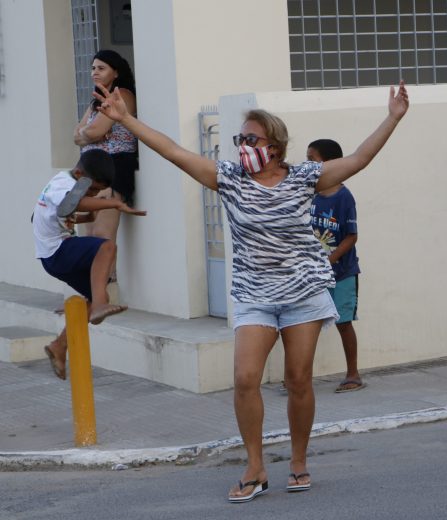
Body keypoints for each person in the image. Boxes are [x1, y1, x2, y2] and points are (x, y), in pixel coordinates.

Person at [92, 80, 409, 501]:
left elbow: (359, 159)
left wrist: (392, 117)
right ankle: (256, 466)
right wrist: (127, 120)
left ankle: (298, 461)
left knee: (299, 380)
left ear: (274, 146)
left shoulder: (303, 178)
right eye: (240, 138)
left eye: (251, 138)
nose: (242, 144)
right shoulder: (230, 179)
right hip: (254, 294)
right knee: (244, 378)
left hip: (303, 294)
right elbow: (174, 151)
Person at [33, 149, 146, 380]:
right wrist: (113, 203)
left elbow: (50, 215)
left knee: (95, 290)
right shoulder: (62, 184)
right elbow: (71, 202)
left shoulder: (63, 186)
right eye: (92, 189)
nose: (93, 194)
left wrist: (86, 218)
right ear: (78, 174)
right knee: (106, 247)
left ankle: (59, 346)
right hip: (56, 252)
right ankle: (100, 305)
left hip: (54, 254)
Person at [73, 49, 138, 283]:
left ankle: (106, 285)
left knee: (102, 233)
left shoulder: (122, 96)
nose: (94, 72)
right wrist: (90, 133)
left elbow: (93, 131)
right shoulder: (95, 102)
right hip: (90, 168)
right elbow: (77, 135)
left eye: (101, 68)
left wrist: (90, 133)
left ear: (116, 72)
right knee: (87, 231)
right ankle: (91, 288)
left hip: (113, 166)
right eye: (93, 68)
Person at [307, 139, 364, 393]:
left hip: (341, 273)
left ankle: (353, 374)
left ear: (329, 164)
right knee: (306, 323)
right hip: (314, 275)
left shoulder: (343, 197)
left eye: (312, 159)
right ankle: (299, 375)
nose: (307, 164)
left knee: (343, 322)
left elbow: (351, 236)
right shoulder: (311, 195)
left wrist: (330, 260)